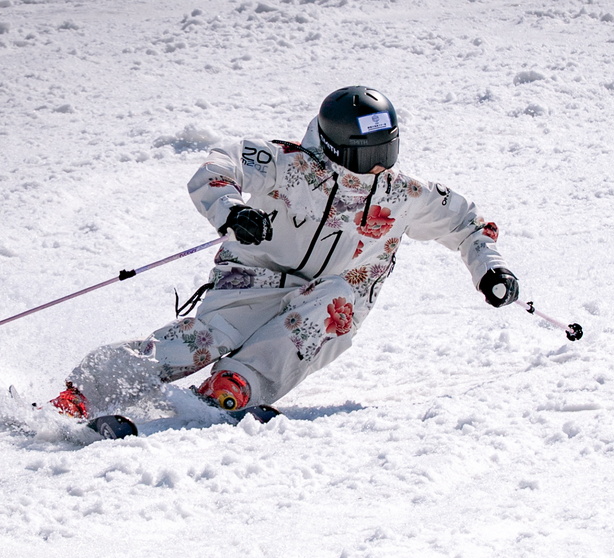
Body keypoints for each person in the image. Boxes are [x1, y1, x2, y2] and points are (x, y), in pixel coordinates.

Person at [50, 86, 519, 420]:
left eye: (387, 149)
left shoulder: (403, 194)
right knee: (198, 341)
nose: (377, 165)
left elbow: (468, 223)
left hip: (326, 304)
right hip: (251, 283)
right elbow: (221, 163)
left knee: (335, 298)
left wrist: (490, 271)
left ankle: (231, 389)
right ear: (335, 147)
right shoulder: (288, 164)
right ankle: (86, 394)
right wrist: (231, 212)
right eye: (365, 154)